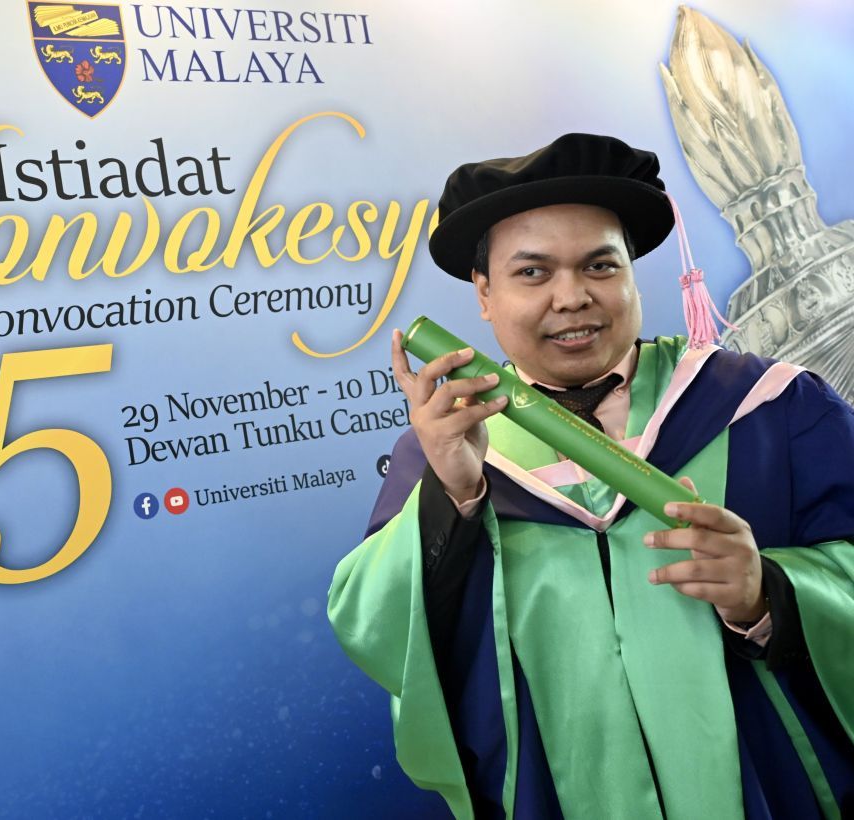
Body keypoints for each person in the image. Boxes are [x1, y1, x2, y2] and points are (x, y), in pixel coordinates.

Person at [327, 133, 854, 818]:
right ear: (484, 294)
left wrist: (770, 594)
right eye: (533, 273)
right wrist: (451, 499)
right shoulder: (443, 450)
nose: (572, 297)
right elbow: (380, 630)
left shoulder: (771, 408)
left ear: (633, 274)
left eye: (600, 266)